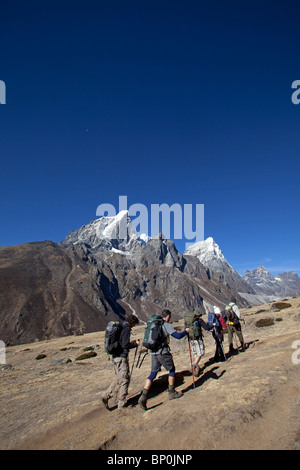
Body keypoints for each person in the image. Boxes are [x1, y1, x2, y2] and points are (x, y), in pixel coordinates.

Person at [138, 309, 189, 411]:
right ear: (168, 316)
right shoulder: (166, 325)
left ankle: (143, 396)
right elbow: (177, 336)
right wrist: (186, 331)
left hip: (153, 353)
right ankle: (171, 392)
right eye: (169, 317)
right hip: (163, 352)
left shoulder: (154, 324)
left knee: (153, 373)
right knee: (172, 370)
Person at [102, 314, 140, 411]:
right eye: (134, 324)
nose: (134, 326)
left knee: (118, 378)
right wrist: (135, 344)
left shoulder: (120, 327)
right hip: (122, 358)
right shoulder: (126, 329)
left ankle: (107, 396)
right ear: (132, 323)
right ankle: (121, 404)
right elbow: (125, 345)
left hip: (115, 357)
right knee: (124, 379)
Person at [187, 311, 212, 377]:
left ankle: (196, 369)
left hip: (191, 339)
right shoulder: (199, 320)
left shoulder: (190, 321)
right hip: (198, 339)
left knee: (195, 353)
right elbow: (206, 328)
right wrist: (213, 325)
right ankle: (194, 365)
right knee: (200, 353)